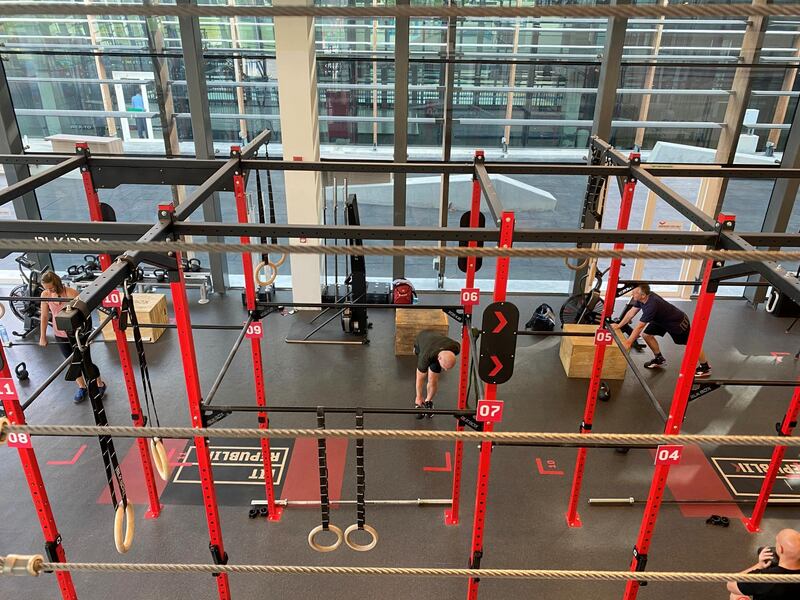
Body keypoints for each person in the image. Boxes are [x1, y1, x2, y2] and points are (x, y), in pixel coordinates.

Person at [612, 283, 711, 378]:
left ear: (643, 295)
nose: (632, 294)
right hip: (661, 319)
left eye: (634, 293)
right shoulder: (641, 299)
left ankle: (705, 367)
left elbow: (639, 326)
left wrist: (629, 342)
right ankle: (659, 358)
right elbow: (631, 313)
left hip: (677, 322)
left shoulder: (651, 306)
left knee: (692, 344)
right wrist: (619, 325)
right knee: (647, 335)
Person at [39, 271, 106, 404]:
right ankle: (82, 387)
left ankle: (100, 384)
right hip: (60, 335)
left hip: (77, 334)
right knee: (72, 363)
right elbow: (45, 316)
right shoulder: (45, 295)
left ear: (57, 283)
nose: (49, 290)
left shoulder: (71, 294)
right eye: (46, 288)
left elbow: (85, 315)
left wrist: (87, 333)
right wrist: (42, 336)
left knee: (86, 362)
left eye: (51, 287)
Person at [727, 529, 800, 600]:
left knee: (735, 595)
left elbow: (731, 584)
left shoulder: (766, 578)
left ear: (781, 549)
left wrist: (759, 565)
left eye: (777, 542)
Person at [413, 329, 459, 419]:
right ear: (439, 358)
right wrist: (418, 396)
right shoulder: (425, 356)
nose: (445, 370)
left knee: (433, 380)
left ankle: (428, 401)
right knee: (422, 373)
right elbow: (420, 378)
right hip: (423, 339)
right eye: (444, 367)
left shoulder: (456, 347)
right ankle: (419, 402)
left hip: (437, 337)